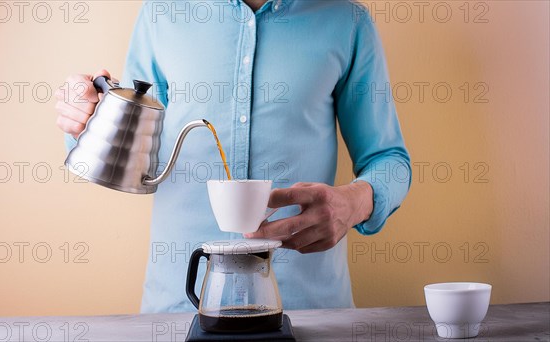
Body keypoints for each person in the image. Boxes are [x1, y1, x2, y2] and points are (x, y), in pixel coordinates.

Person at [55, 0, 411, 313]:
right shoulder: (161, 13)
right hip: (179, 309)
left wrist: (354, 202)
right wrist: (87, 120)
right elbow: (134, 147)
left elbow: (390, 160)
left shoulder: (347, 22)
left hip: (308, 310)